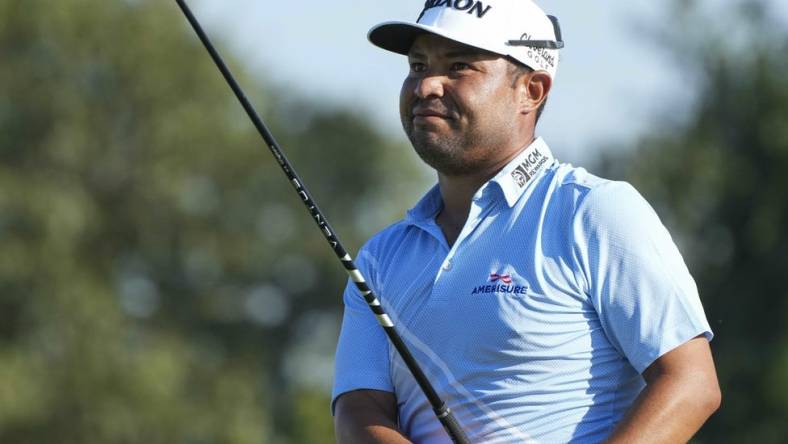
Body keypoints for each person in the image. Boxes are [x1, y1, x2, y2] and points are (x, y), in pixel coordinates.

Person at [332, 0, 721, 442]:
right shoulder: (382, 257)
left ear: (531, 91)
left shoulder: (594, 212)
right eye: (418, 65)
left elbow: (690, 384)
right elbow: (359, 407)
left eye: (458, 66)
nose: (426, 87)